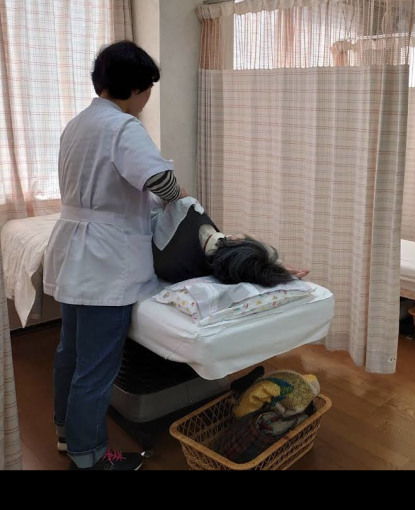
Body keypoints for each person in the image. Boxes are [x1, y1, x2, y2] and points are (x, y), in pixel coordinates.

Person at [43, 41, 188, 471]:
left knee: (70, 353)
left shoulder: (77, 124)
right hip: (105, 261)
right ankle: (92, 458)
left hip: (74, 253)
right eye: (149, 90)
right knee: (97, 367)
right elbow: (162, 182)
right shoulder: (124, 128)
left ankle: (67, 435)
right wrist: (181, 199)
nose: (147, 100)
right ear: (136, 88)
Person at [150, 197, 309, 285]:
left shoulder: (188, 210)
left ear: (236, 240)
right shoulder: (199, 272)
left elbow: (167, 189)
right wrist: (272, 268)